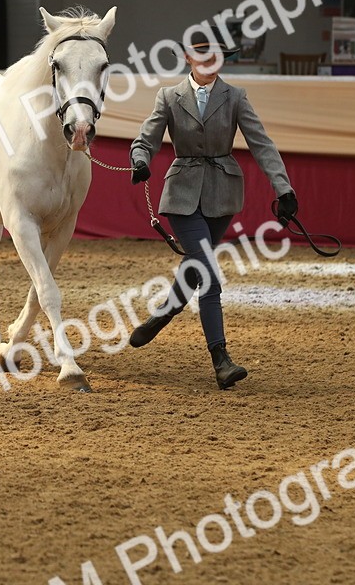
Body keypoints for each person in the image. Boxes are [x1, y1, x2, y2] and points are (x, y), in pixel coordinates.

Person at [128, 45, 298, 390]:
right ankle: (221, 360)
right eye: (200, 55)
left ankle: (164, 313)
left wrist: (284, 189)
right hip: (181, 196)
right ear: (188, 59)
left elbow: (261, 144)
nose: (208, 62)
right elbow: (145, 139)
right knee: (208, 274)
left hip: (223, 196)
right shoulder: (169, 96)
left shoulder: (235, 97)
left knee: (194, 269)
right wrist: (140, 160)